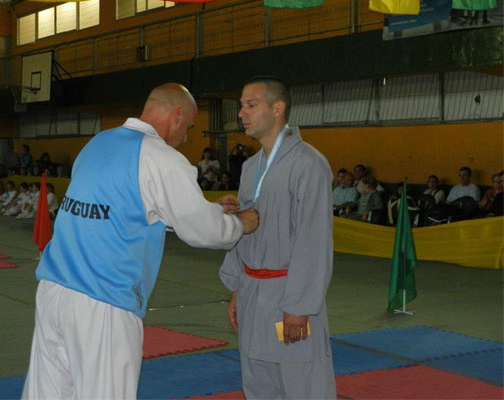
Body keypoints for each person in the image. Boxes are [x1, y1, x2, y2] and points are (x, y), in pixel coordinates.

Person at [21, 83, 259, 400]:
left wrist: (212, 211)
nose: (185, 138)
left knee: (49, 393)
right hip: (103, 301)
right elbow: (205, 232)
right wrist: (242, 223)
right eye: (188, 127)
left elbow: (128, 211)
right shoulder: (161, 158)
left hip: (54, 290)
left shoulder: (98, 144)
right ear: (176, 115)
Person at [219, 77, 336, 399]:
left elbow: (314, 240)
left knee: (302, 384)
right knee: (259, 382)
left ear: (277, 108)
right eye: (241, 105)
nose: (241, 113)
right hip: (252, 293)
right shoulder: (250, 167)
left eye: (250, 105)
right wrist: (237, 288)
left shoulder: (309, 164)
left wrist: (300, 306)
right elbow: (246, 233)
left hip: (289, 296)